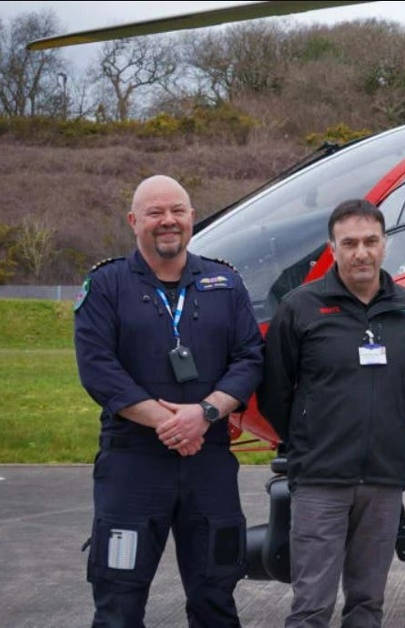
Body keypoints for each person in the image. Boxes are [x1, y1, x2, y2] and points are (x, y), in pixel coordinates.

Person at [74, 174, 264, 627]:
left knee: (216, 596)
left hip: (209, 462)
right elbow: (99, 369)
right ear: (134, 220)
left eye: (177, 211)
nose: (168, 221)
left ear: (192, 218)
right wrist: (170, 422)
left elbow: (249, 359)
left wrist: (205, 413)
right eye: (155, 212)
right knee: (118, 600)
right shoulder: (106, 286)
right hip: (133, 465)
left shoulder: (225, 282)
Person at [258, 198, 405, 628]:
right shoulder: (300, 307)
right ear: (333, 248)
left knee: (368, 603)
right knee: (312, 604)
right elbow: (274, 390)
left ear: (385, 244)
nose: (361, 252)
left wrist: (384, 434)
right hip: (320, 478)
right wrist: (308, 441)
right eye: (349, 243)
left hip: (383, 480)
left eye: (370, 241)